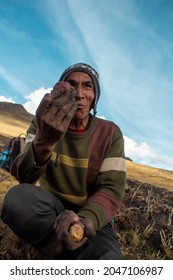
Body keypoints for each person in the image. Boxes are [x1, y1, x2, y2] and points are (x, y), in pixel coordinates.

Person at [1, 63, 126, 260]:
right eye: (72, 85)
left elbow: (110, 188)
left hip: (90, 216)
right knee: (17, 200)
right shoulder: (42, 121)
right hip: (50, 208)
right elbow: (25, 177)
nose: (79, 94)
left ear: (95, 98)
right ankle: (61, 249)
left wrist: (85, 222)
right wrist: (45, 140)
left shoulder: (110, 133)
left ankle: (72, 247)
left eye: (87, 86)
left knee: (109, 262)